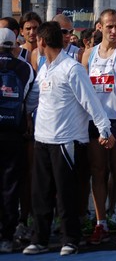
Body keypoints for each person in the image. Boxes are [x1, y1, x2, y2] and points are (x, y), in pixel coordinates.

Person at [22, 21, 116, 256]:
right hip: (42, 139)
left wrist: (105, 130)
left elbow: (90, 102)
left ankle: (71, 239)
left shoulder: (72, 69)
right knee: (41, 193)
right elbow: (34, 99)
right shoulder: (45, 68)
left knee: (66, 193)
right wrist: (18, 114)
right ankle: (40, 239)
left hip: (66, 141)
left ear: (42, 42)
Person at [81, 9, 116, 246]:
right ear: (99, 27)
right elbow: (83, 92)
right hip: (94, 121)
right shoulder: (88, 55)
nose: (114, 31)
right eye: (109, 26)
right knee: (98, 172)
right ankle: (100, 222)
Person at [0, 28, 36, 254]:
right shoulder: (25, 68)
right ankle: (7, 235)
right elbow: (31, 101)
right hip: (13, 132)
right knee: (10, 183)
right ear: (15, 46)